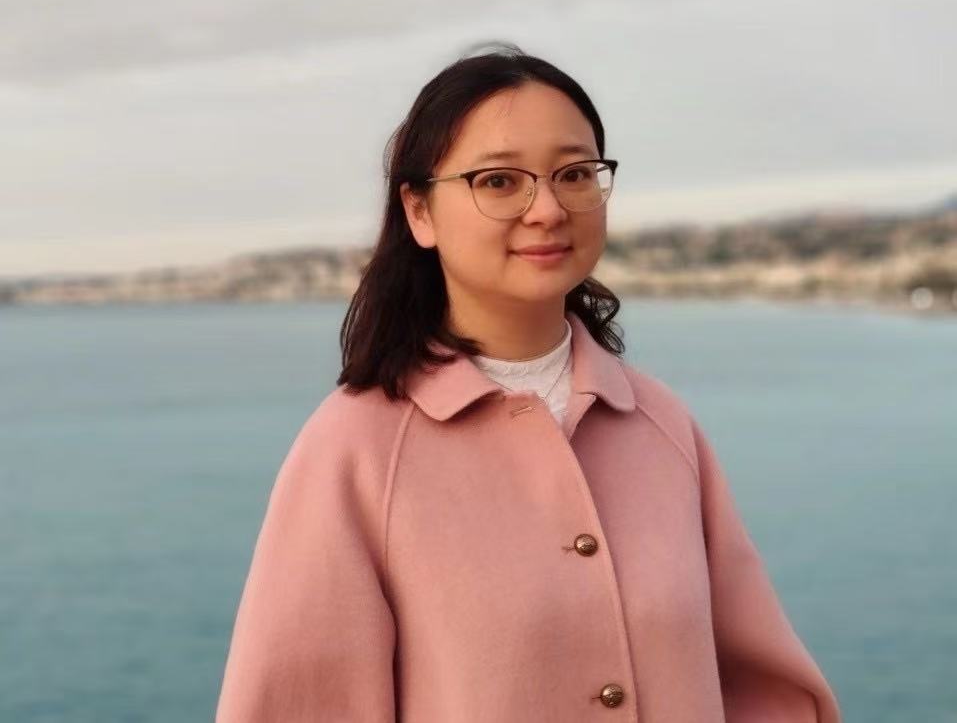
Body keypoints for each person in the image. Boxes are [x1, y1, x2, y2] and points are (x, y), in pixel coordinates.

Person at [215, 44, 842, 722]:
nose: (547, 209)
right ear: (419, 211)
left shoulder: (660, 424)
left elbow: (762, 689)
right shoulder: (354, 448)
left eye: (574, 174)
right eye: (498, 181)